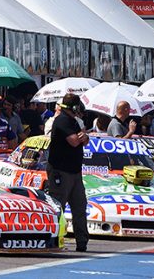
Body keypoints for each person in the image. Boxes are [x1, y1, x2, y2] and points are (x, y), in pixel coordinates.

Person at [48, 94, 90, 252]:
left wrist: (83, 137)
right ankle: (55, 240)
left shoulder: (73, 121)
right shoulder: (61, 120)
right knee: (58, 207)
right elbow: (74, 141)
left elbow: (85, 140)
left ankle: (82, 242)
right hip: (61, 171)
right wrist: (82, 137)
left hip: (75, 171)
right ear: (73, 107)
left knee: (79, 206)